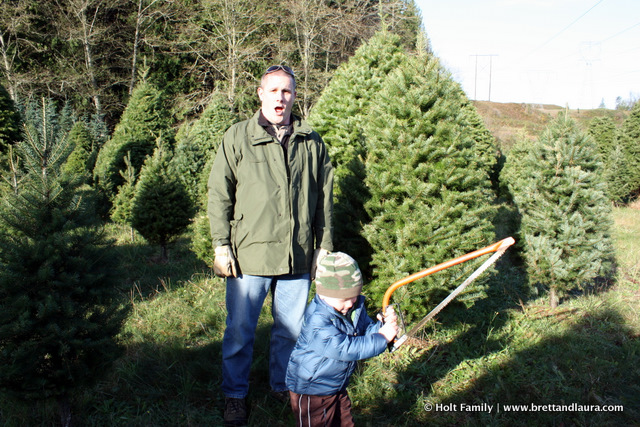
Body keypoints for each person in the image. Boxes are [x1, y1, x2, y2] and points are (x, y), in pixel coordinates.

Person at [207, 64, 334, 426]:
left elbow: (324, 198)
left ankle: (282, 384)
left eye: (287, 91)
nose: (281, 98)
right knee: (239, 331)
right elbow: (219, 193)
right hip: (250, 254)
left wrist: (323, 245)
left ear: (294, 96)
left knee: (290, 330)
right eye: (274, 90)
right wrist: (221, 244)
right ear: (261, 94)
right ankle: (235, 394)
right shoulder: (238, 136)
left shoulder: (311, 141)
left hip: (297, 253)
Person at [285, 252, 399, 427]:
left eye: (354, 296)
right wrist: (382, 337)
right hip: (312, 390)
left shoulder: (352, 309)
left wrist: (381, 327)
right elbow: (345, 349)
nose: (350, 303)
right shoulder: (317, 320)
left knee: (345, 422)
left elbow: (365, 332)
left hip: (336, 384)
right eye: (344, 299)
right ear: (323, 295)